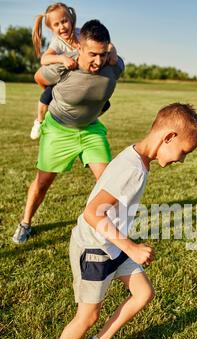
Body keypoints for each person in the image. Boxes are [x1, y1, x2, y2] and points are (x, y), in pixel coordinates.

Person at [33, 102, 197, 339]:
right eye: (183, 152)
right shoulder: (131, 169)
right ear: (168, 137)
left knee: (143, 293)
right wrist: (131, 246)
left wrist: (125, 245)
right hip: (95, 248)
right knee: (87, 316)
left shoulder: (139, 160)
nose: (182, 160)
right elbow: (92, 213)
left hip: (113, 246)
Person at [13, 20, 124, 244]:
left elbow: (114, 59)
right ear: (79, 49)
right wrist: (60, 96)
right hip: (58, 130)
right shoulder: (64, 68)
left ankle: (106, 229)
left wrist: (114, 52)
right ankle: (25, 223)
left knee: (108, 182)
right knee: (43, 182)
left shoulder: (114, 66)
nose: (98, 60)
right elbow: (39, 77)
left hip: (90, 129)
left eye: (103, 54)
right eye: (92, 54)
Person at [30, 2, 111, 140]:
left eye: (64, 21)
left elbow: (103, 42)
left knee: (105, 103)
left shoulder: (81, 33)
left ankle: (87, 118)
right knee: (46, 97)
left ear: (71, 20)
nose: (62, 27)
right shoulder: (58, 42)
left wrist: (112, 52)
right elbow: (44, 59)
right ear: (51, 28)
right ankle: (39, 121)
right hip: (64, 79)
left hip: (83, 78)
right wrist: (62, 58)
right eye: (56, 24)